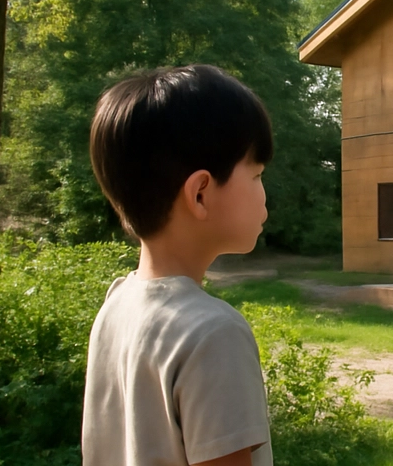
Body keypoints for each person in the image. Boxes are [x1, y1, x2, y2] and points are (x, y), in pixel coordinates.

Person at [82, 64, 274, 466]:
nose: (264, 192)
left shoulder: (116, 304)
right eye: (256, 175)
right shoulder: (214, 334)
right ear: (200, 193)